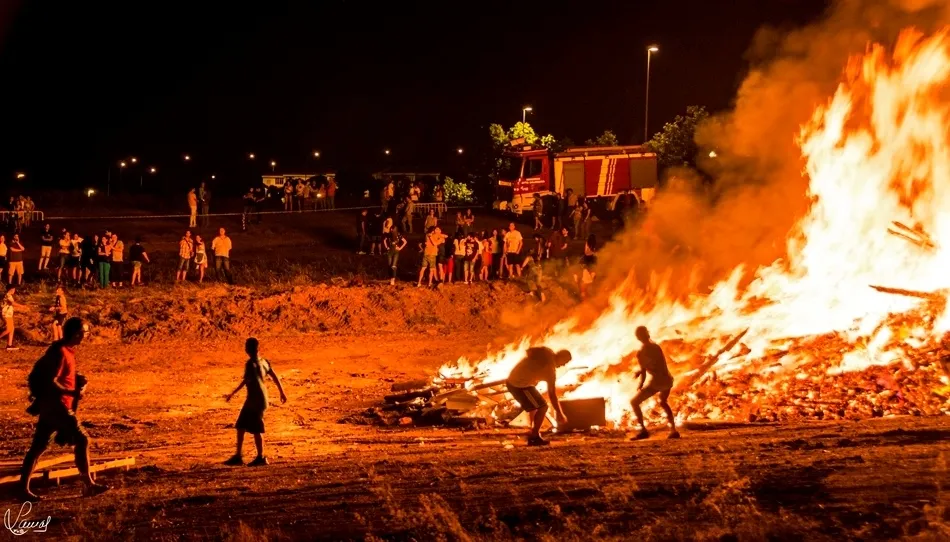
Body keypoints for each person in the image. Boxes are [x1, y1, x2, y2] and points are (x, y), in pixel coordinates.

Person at [19, 317, 109, 500]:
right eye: (85, 333)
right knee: (82, 439)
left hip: (51, 407)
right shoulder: (59, 351)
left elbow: (60, 374)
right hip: (57, 406)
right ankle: (88, 485)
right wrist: (72, 392)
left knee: (38, 447)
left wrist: (77, 378)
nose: (86, 336)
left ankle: (23, 489)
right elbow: (50, 380)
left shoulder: (65, 350)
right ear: (77, 333)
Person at [224, 338, 287, 466]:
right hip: (261, 399)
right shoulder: (264, 362)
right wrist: (282, 392)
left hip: (254, 400)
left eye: (246, 346)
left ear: (248, 349)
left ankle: (261, 457)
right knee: (241, 426)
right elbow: (274, 376)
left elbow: (246, 381)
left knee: (255, 428)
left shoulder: (250, 364)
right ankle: (239, 456)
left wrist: (233, 393)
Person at [505, 347, 572, 446]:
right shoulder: (550, 370)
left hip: (520, 381)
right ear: (560, 357)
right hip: (518, 385)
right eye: (565, 362)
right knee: (542, 407)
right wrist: (560, 413)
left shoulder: (547, 351)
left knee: (535, 407)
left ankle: (533, 432)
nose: (563, 365)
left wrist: (531, 370)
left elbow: (529, 351)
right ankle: (534, 436)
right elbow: (552, 395)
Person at [630, 326, 679, 440]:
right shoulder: (656, 347)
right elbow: (654, 367)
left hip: (658, 382)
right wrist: (641, 378)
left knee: (634, 402)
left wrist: (641, 383)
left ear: (638, 338)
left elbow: (647, 369)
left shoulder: (642, 353)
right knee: (663, 402)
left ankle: (643, 430)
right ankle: (673, 430)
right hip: (667, 380)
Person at [0, 285, 28, 350]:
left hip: (8, 313)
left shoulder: (8, 295)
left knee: (12, 329)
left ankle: (9, 345)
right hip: (6, 314)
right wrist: (22, 306)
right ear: (11, 289)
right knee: (9, 329)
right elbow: (13, 303)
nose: (14, 290)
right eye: (14, 289)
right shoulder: (8, 295)